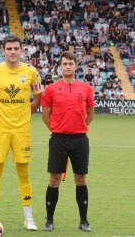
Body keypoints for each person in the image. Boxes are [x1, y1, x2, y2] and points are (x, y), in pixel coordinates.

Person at [0, 35, 42, 231]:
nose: (12, 51)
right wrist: (0, 116)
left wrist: (25, 114)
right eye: (9, 48)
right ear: (3, 51)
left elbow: (38, 99)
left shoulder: (31, 72)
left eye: (16, 48)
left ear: (21, 50)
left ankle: (29, 218)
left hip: (22, 130)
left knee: (24, 172)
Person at [41, 52, 94, 232]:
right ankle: (49, 220)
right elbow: (45, 115)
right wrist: (58, 129)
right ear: (60, 66)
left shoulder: (86, 88)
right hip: (58, 140)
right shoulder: (51, 89)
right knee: (54, 179)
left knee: (80, 179)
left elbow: (90, 114)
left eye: (71, 63)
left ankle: (84, 221)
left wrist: (78, 127)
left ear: (76, 65)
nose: (68, 66)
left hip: (80, 139)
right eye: (64, 63)